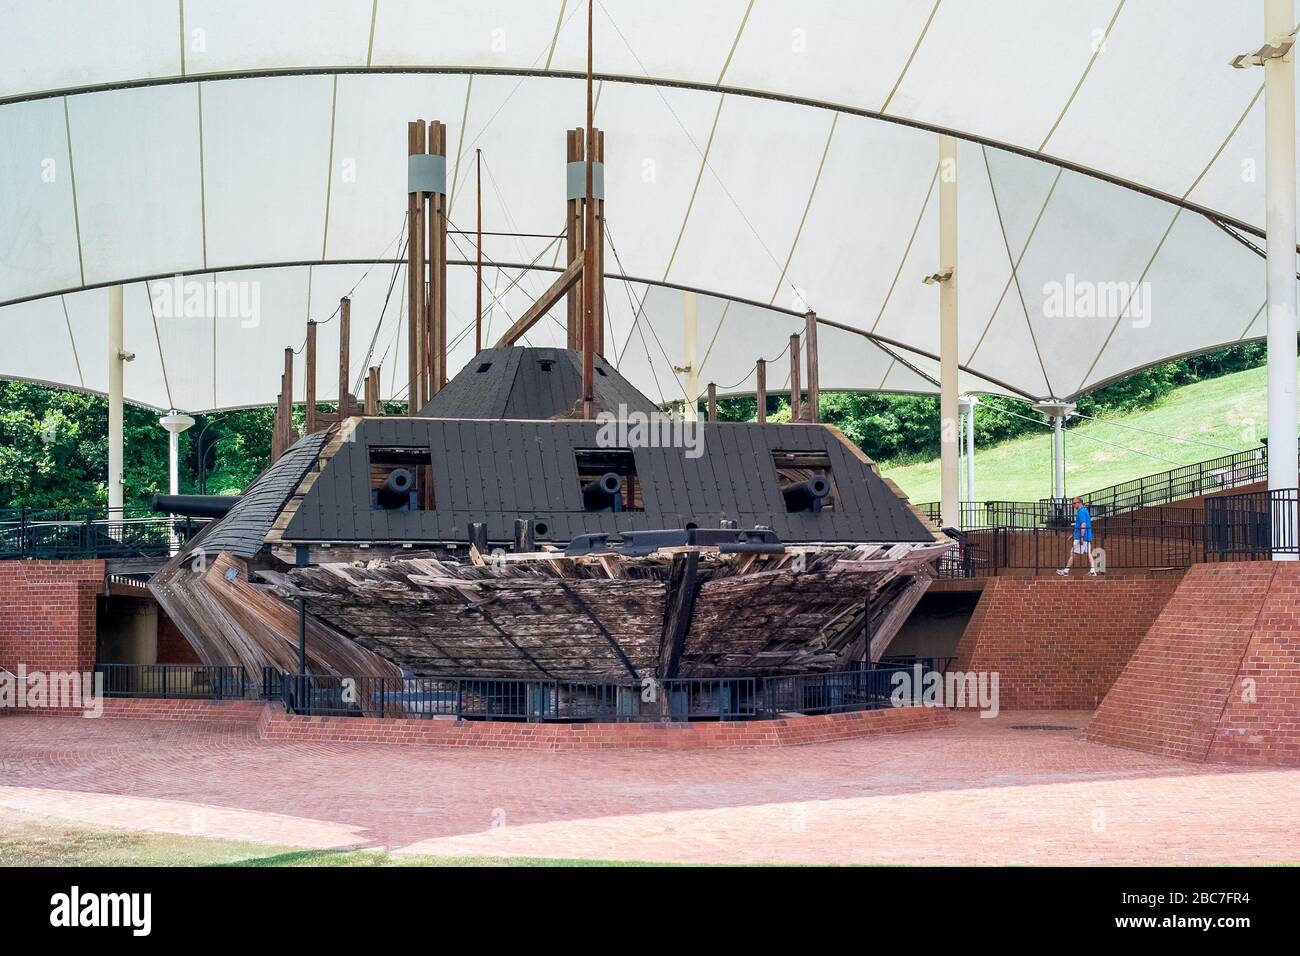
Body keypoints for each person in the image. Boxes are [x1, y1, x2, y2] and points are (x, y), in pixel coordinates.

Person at [1056, 496, 1097, 576]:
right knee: (1088, 553)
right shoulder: (1084, 511)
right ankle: (1092, 571)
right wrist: (1073, 534)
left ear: (1079, 503)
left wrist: (1081, 537)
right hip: (1087, 536)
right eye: (1072, 503)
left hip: (1081, 537)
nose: (1073, 505)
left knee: (1073, 553)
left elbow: (1083, 524)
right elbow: (1081, 525)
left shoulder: (1081, 512)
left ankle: (1066, 571)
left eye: (1074, 503)